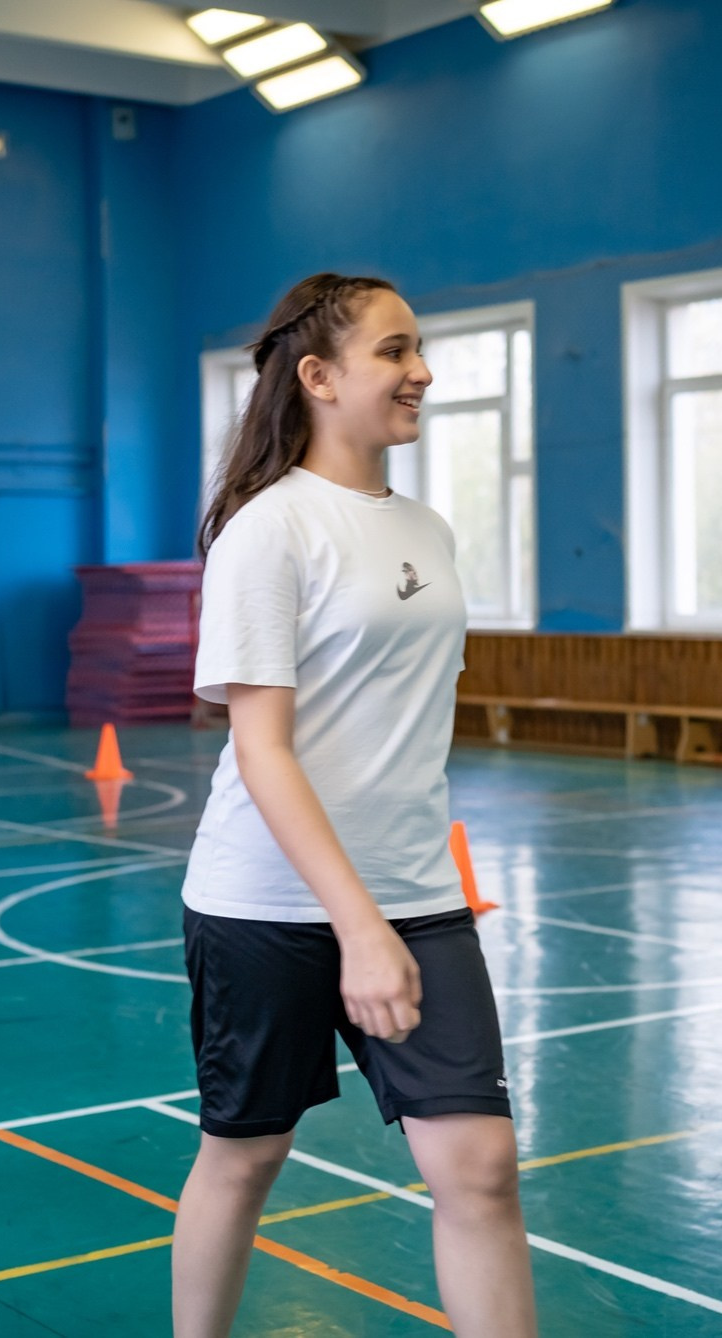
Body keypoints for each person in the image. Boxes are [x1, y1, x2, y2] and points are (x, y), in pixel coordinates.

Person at [172, 274, 538, 1337]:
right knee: (244, 1157)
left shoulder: (427, 529)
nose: (420, 369)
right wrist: (358, 926)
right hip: (266, 907)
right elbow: (265, 750)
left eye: (419, 348)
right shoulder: (268, 533)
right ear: (319, 377)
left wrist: (391, 912)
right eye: (394, 351)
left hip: (416, 893)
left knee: (479, 1168)